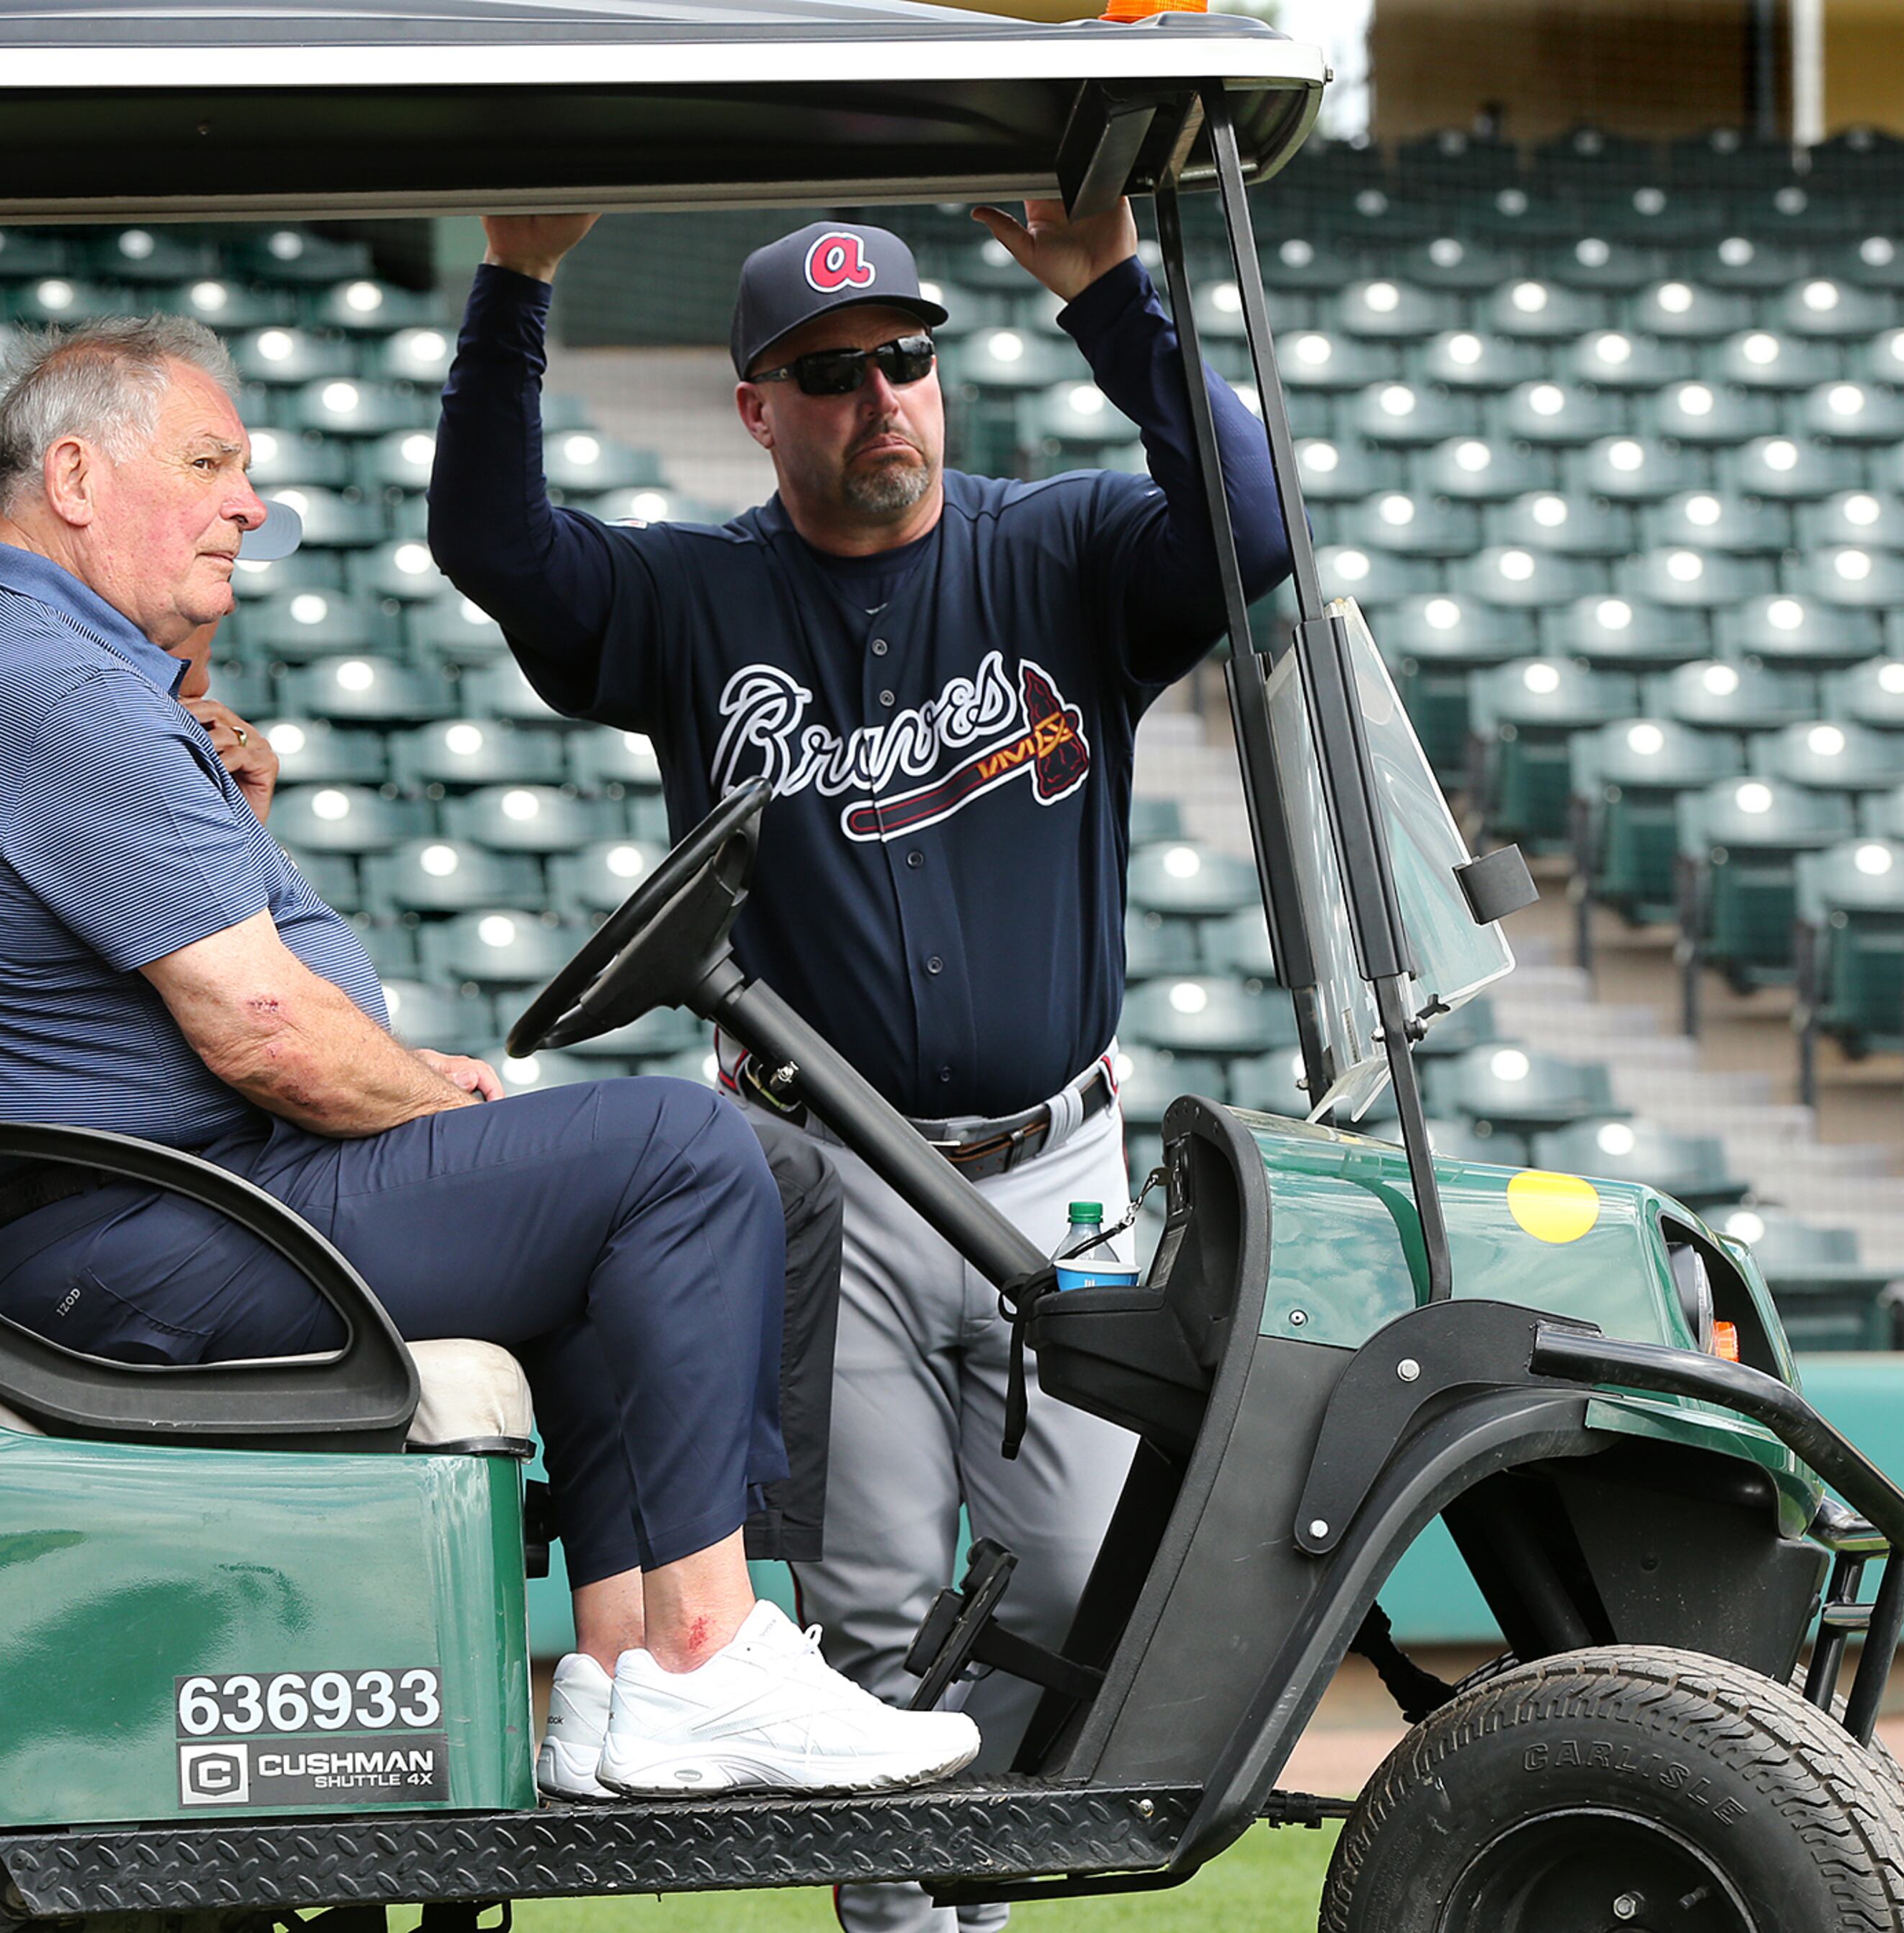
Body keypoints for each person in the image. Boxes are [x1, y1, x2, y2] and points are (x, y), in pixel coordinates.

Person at [0, 315, 972, 1798]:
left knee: (733, 1170)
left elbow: (246, 997)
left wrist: (244, 821)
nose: (250, 506)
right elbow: (268, 1032)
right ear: (74, 474)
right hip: (154, 1230)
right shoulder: (60, 689)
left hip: (174, 1202)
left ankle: (624, 1673)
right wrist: (436, 1091)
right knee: (684, 1149)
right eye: (209, 464)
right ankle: (715, 1653)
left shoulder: (64, 670)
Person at [428, 206, 1290, 1909]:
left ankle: (965, 1874)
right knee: (880, 1602)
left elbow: (1257, 523)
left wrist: (1109, 296)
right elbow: (498, 548)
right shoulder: (696, 597)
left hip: (1062, 1169)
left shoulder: (1065, 552)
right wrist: (517, 286)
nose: (880, 396)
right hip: (841, 1189)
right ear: (761, 407)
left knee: (1083, 1580)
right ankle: (919, 1918)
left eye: (906, 357)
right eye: (830, 374)